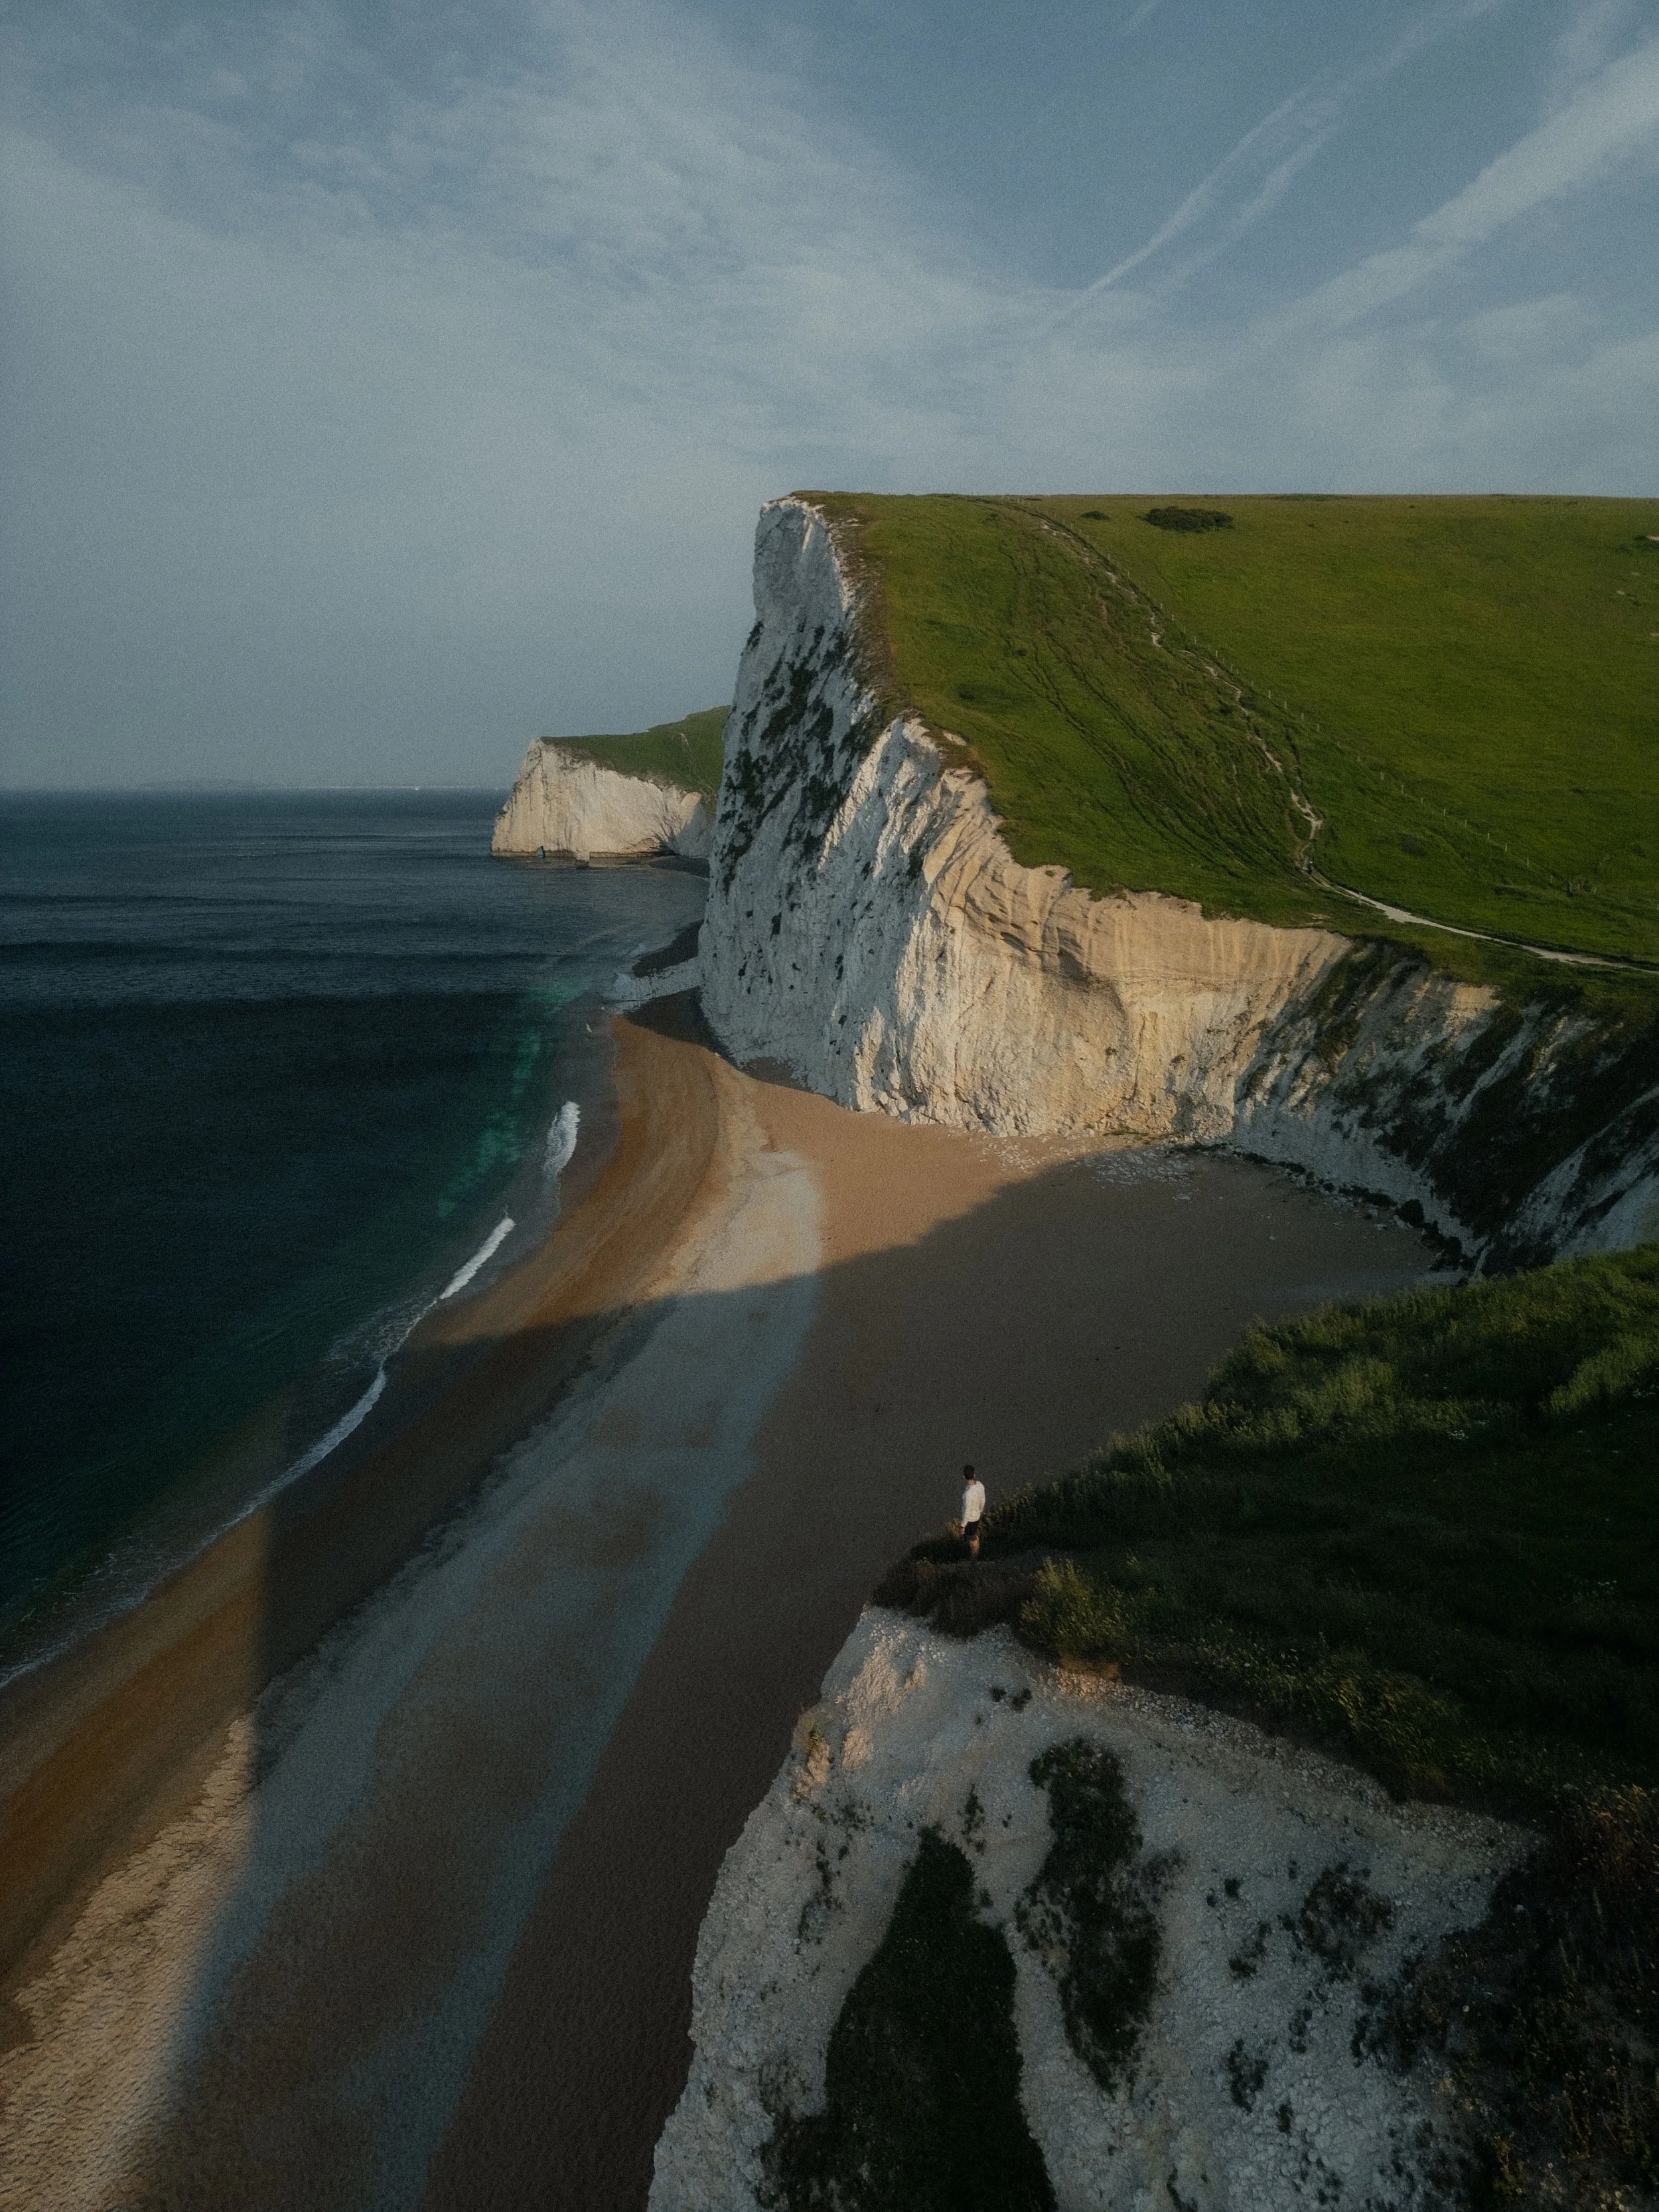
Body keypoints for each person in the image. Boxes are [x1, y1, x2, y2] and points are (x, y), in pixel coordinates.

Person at [960, 1464, 986, 1559]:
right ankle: (977, 1556)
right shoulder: (980, 1485)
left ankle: (974, 1563)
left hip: (970, 1521)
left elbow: (967, 1511)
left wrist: (963, 1526)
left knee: (972, 1543)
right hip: (977, 1517)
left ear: (964, 1477)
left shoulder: (968, 1494)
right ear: (974, 1475)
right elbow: (983, 1500)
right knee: (975, 1537)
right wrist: (980, 1510)